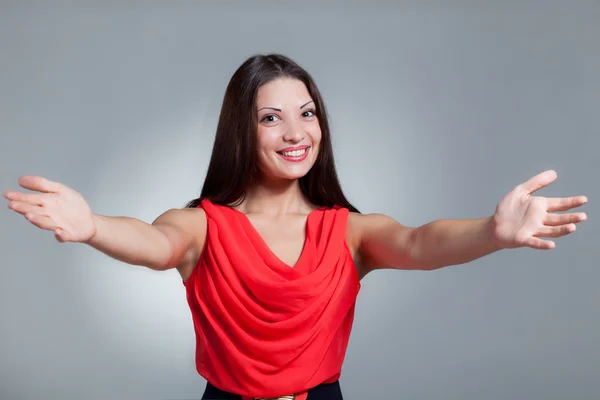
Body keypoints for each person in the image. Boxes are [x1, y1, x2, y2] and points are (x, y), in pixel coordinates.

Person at [4, 54, 588, 400]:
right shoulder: (202, 226)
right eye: (271, 118)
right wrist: (92, 226)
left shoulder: (349, 231)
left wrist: (492, 230)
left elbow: (417, 243)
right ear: (242, 130)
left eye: (306, 114)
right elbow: (156, 246)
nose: (296, 132)